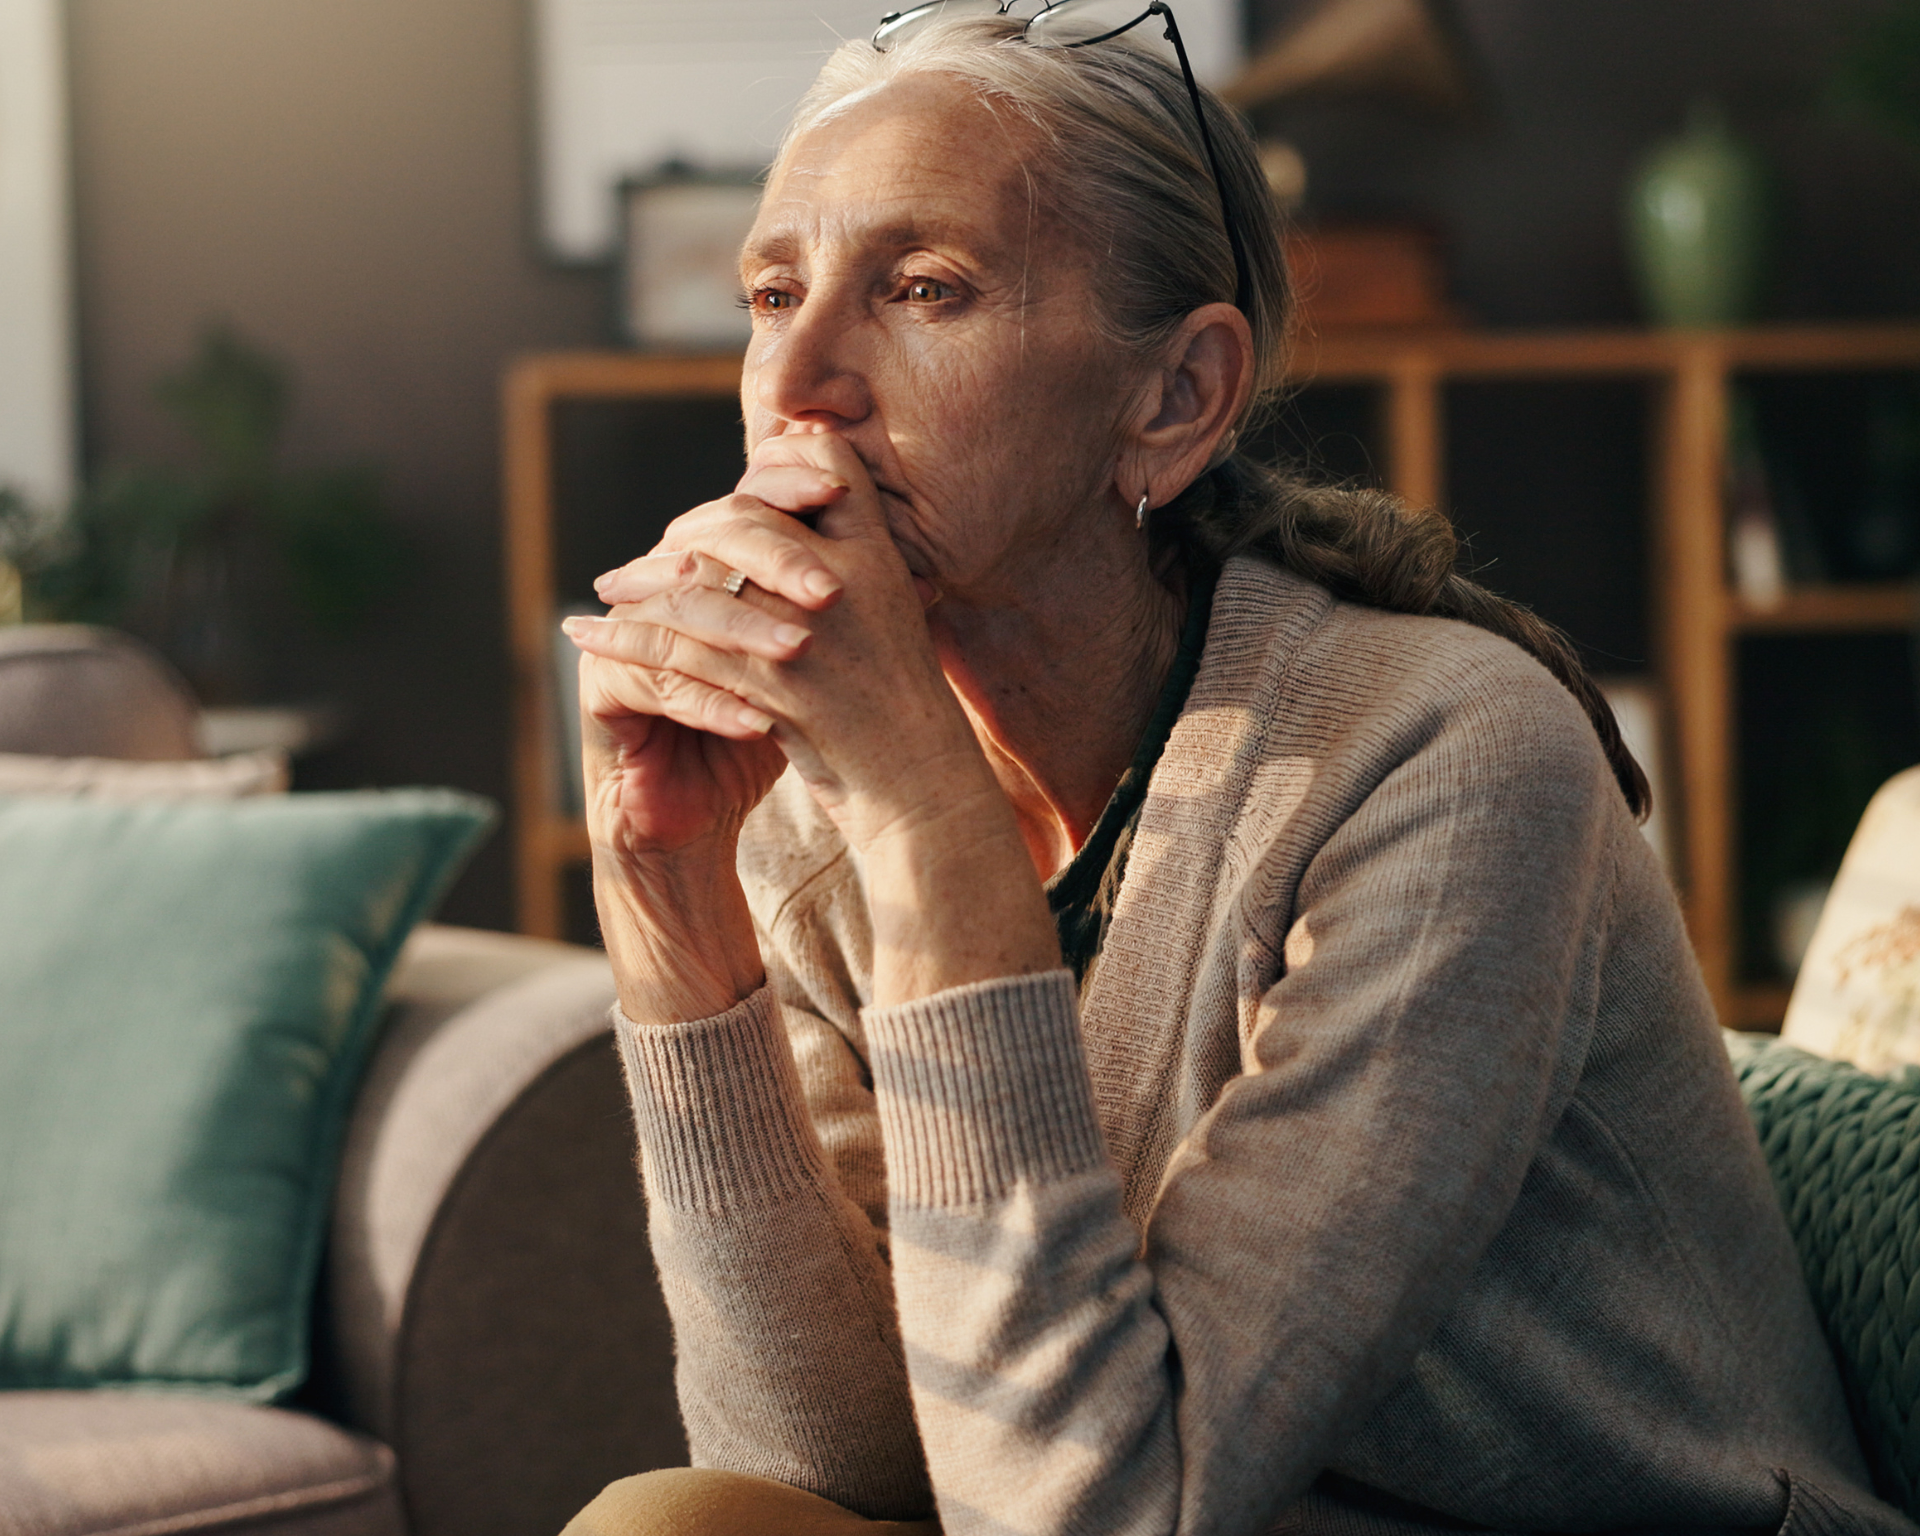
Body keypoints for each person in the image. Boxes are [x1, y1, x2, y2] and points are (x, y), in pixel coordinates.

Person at [557, 6, 1911, 1534]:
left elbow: (1116, 1513)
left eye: (924, 289)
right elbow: (846, 1476)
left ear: (1178, 397)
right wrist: (680, 943)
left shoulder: (1443, 759)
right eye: (771, 293)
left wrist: (930, 826)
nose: (799, 380)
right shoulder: (816, 816)